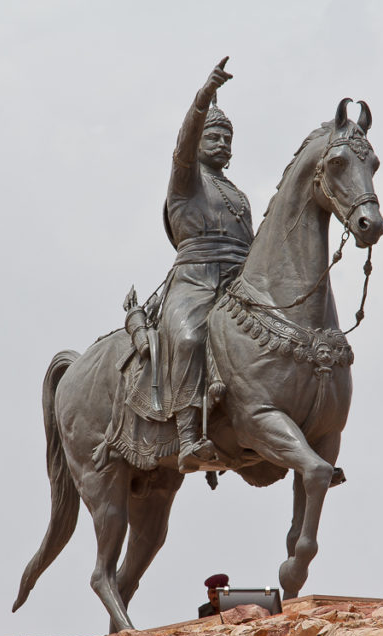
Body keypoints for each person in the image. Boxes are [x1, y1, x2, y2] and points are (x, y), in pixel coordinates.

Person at [128, 57, 254, 473]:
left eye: (228, 138)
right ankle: (187, 437)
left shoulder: (237, 196)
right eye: (214, 136)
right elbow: (183, 145)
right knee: (186, 337)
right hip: (196, 280)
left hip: (238, 282)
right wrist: (203, 100)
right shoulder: (186, 179)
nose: (222, 144)